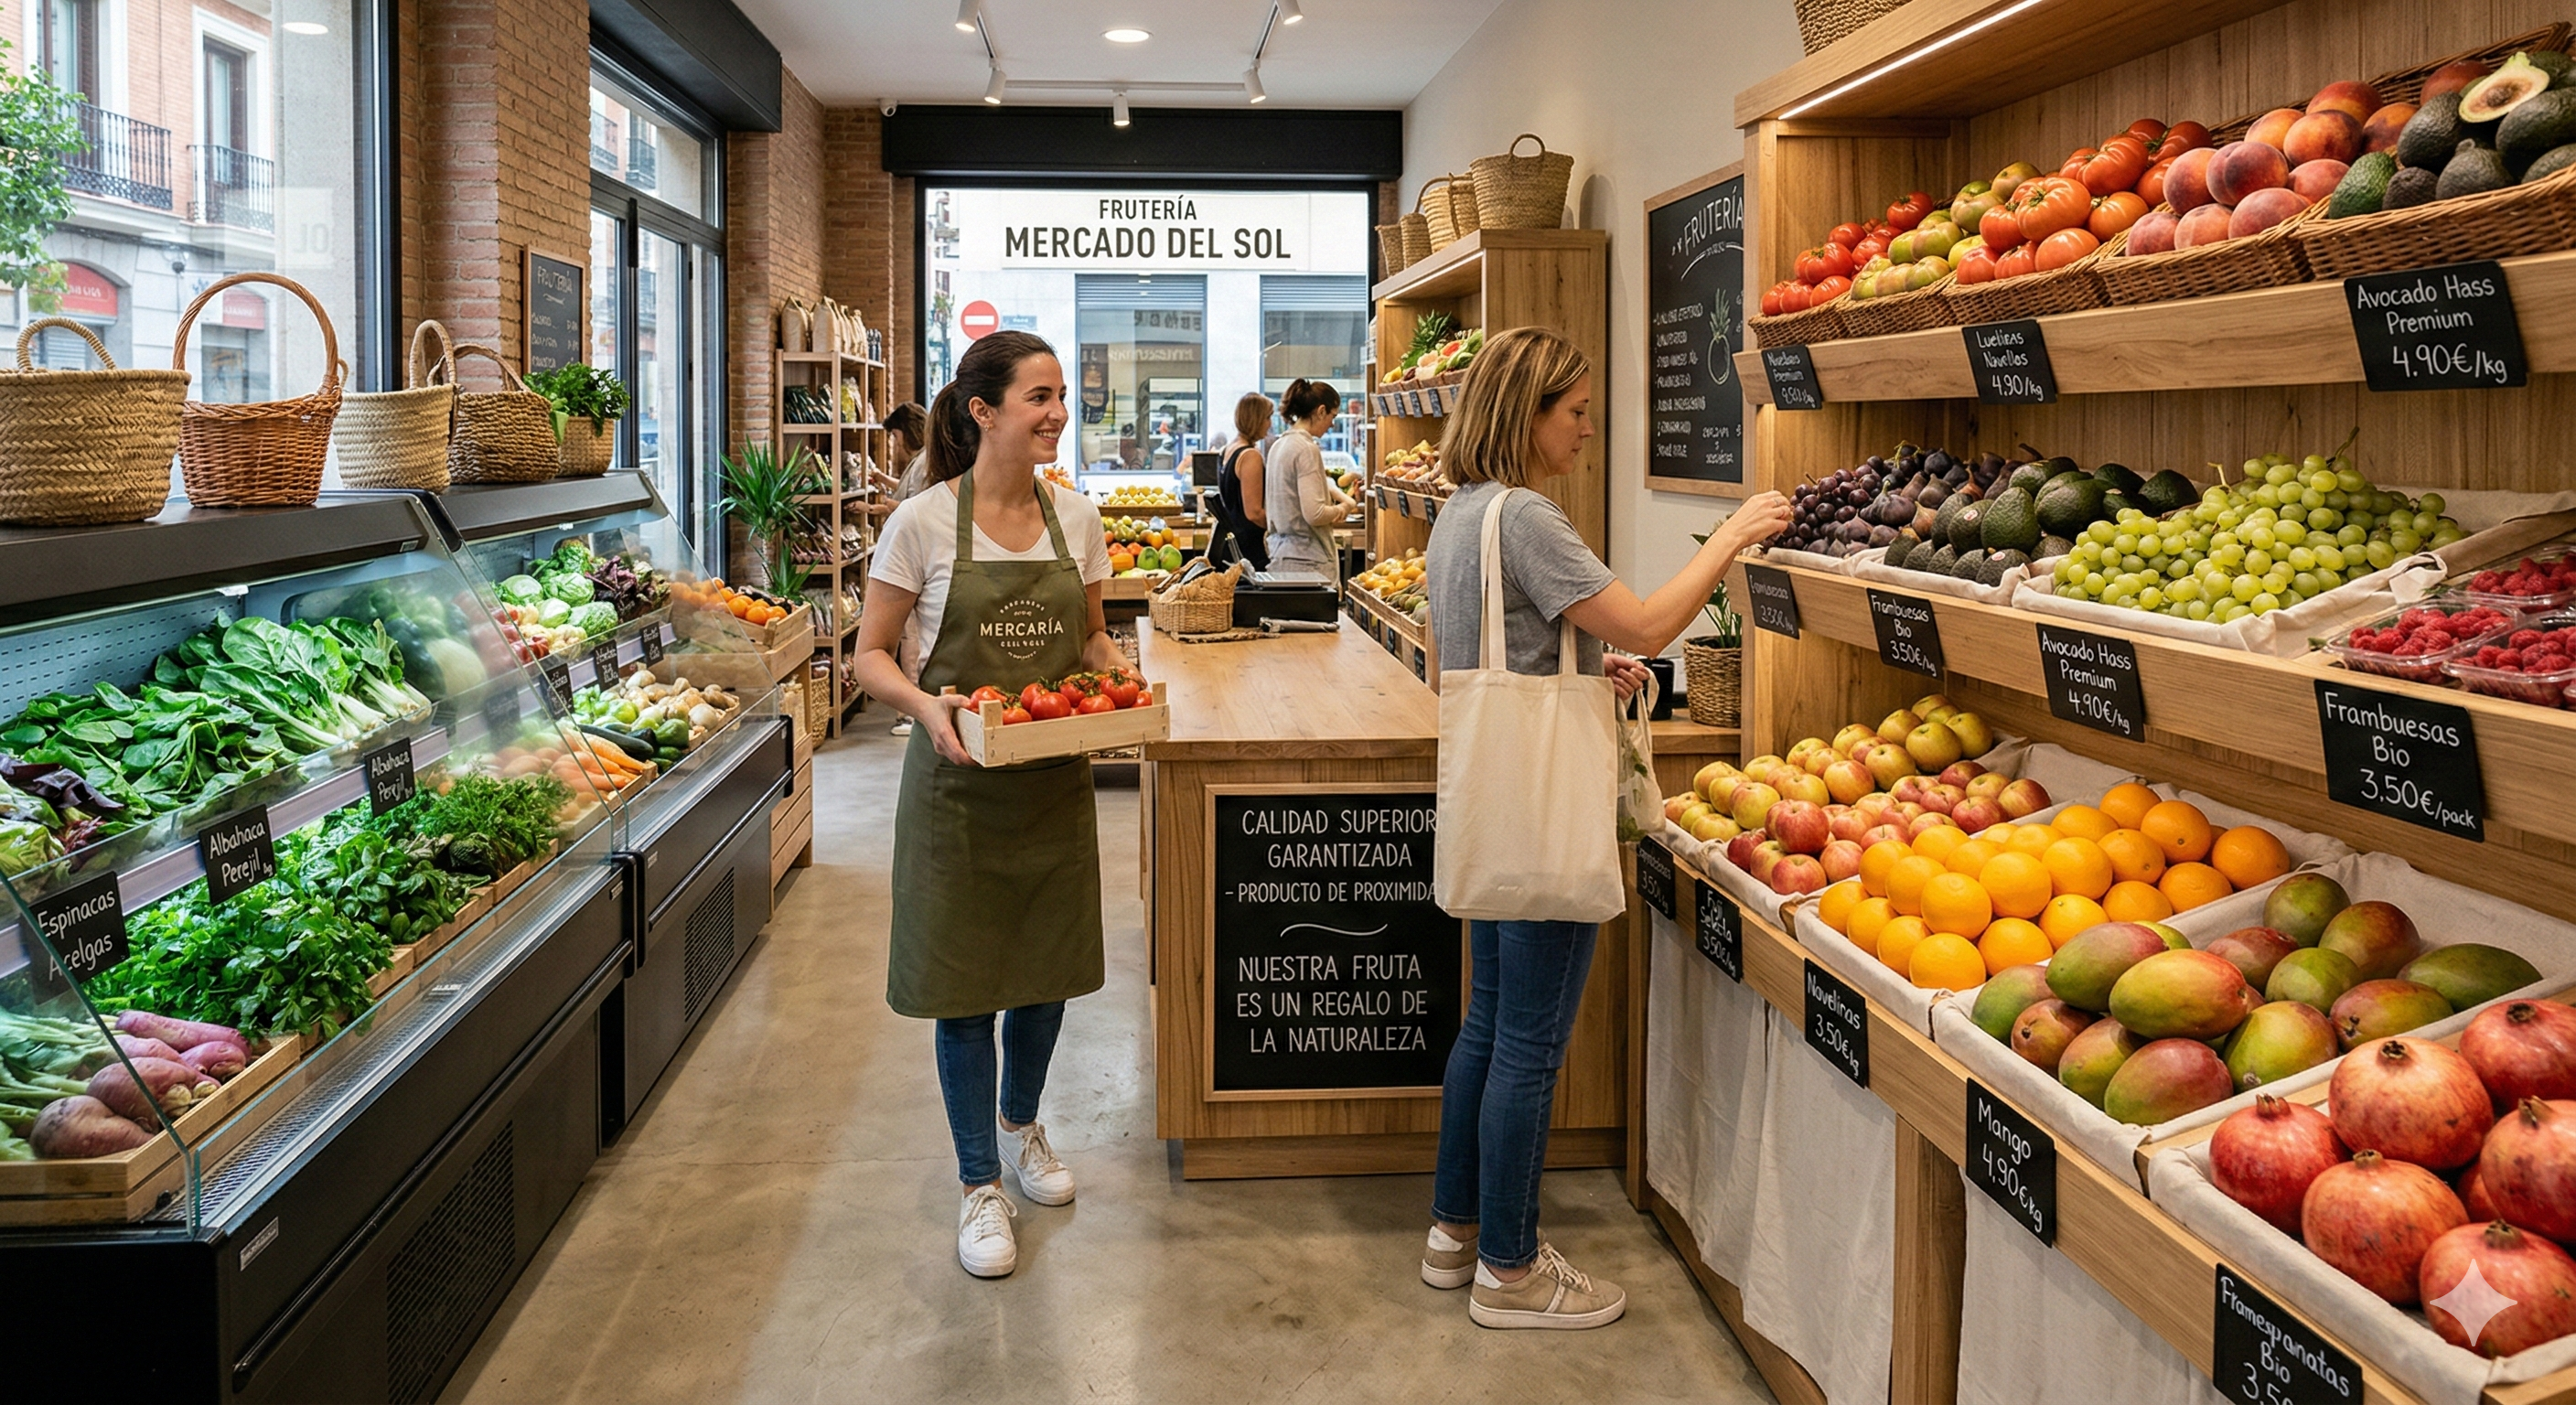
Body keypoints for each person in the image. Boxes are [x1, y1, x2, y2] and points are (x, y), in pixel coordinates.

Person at [1415, 326, 1790, 1330]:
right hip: (1542, 808)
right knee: (1530, 1044)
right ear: (1525, 415)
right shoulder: (1528, 516)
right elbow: (1649, 624)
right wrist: (1728, 535)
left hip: (1495, 802)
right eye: (1574, 412)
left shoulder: (1458, 514)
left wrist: (1586, 666)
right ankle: (1510, 1270)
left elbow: (1498, 648)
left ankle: (1454, 1233)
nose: (1586, 429)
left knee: (1486, 1024)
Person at [850, 330, 1132, 1280]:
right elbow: (870, 656)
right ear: (983, 412)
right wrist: (929, 705)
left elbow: (1090, 638)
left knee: (1044, 977)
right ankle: (978, 1182)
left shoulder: (1078, 519)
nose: (1057, 412)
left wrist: (1114, 677)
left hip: (1049, 781)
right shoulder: (921, 522)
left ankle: (1022, 1128)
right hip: (958, 788)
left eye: (1060, 396)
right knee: (964, 993)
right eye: (1039, 396)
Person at [867, 401, 931, 735]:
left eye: (894, 435)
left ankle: (910, 712)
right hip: (913, 560)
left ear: (905, 432)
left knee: (911, 638)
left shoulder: (923, 463)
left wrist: (879, 507)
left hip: (912, 562)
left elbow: (914, 505)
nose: (894, 442)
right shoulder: (921, 461)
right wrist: (882, 479)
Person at [1261, 378, 1356, 581]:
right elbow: (1315, 514)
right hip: (1307, 564)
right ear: (1321, 411)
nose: (1332, 424)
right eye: (1333, 415)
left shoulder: (1279, 446)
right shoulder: (1306, 449)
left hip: (1280, 556)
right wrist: (1343, 509)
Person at [1208, 392, 1272, 570]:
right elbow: (1254, 513)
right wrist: (1282, 529)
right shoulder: (1250, 456)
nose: (1270, 424)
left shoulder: (1227, 450)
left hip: (1231, 546)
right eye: (1267, 417)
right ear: (1256, 419)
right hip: (1249, 550)